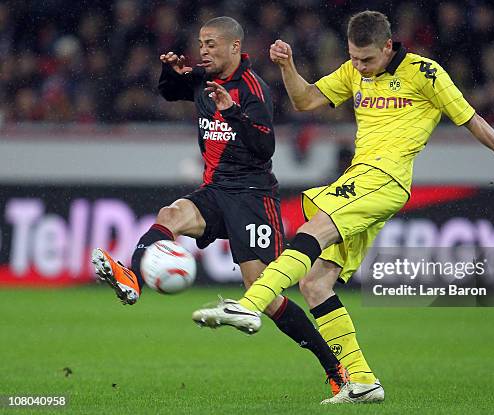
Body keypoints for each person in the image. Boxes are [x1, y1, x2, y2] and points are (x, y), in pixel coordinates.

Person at [192, 10, 494, 404]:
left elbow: (471, 118)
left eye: (367, 60)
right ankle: (363, 383)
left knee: (312, 231)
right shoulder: (353, 70)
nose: (360, 67)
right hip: (362, 178)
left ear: (388, 46)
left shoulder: (425, 73)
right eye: (354, 58)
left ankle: (250, 305)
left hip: (386, 178)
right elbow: (306, 99)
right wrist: (289, 67)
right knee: (315, 283)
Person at [91, 16, 349, 396]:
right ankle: (132, 278)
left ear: (234, 47)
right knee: (170, 216)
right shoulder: (201, 79)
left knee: (265, 293)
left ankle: (336, 370)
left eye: (211, 43)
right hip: (214, 189)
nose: (203, 50)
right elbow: (169, 93)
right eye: (200, 43)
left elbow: (265, 148)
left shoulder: (252, 88)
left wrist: (231, 111)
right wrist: (170, 71)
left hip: (252, 196)